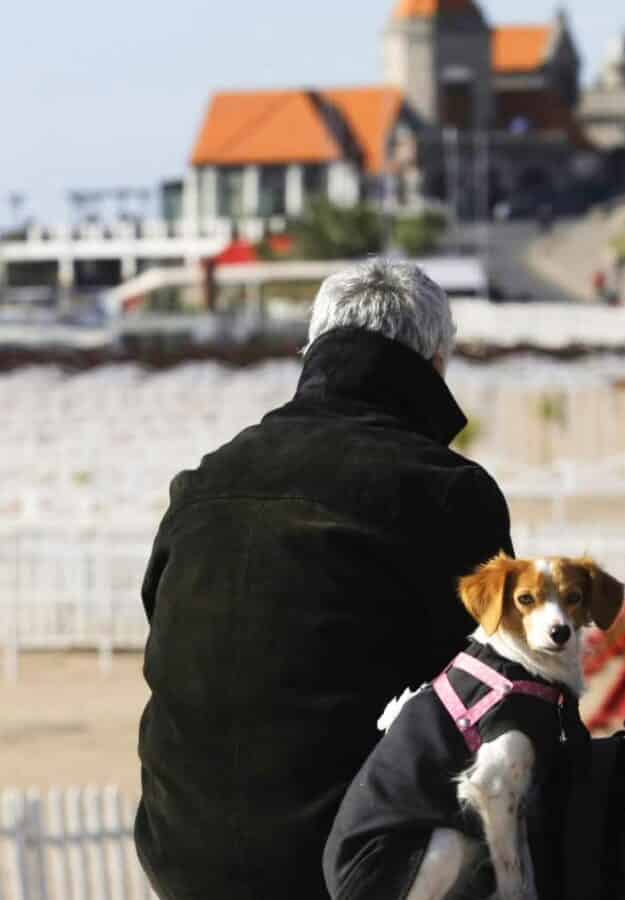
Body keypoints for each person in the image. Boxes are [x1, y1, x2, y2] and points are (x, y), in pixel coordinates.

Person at [135, 260, 513, 900]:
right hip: (347, 865)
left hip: (179, 858)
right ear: (437, 361)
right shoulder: (448, 493)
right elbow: (493, 685)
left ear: (311, 350)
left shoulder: (203, 484)